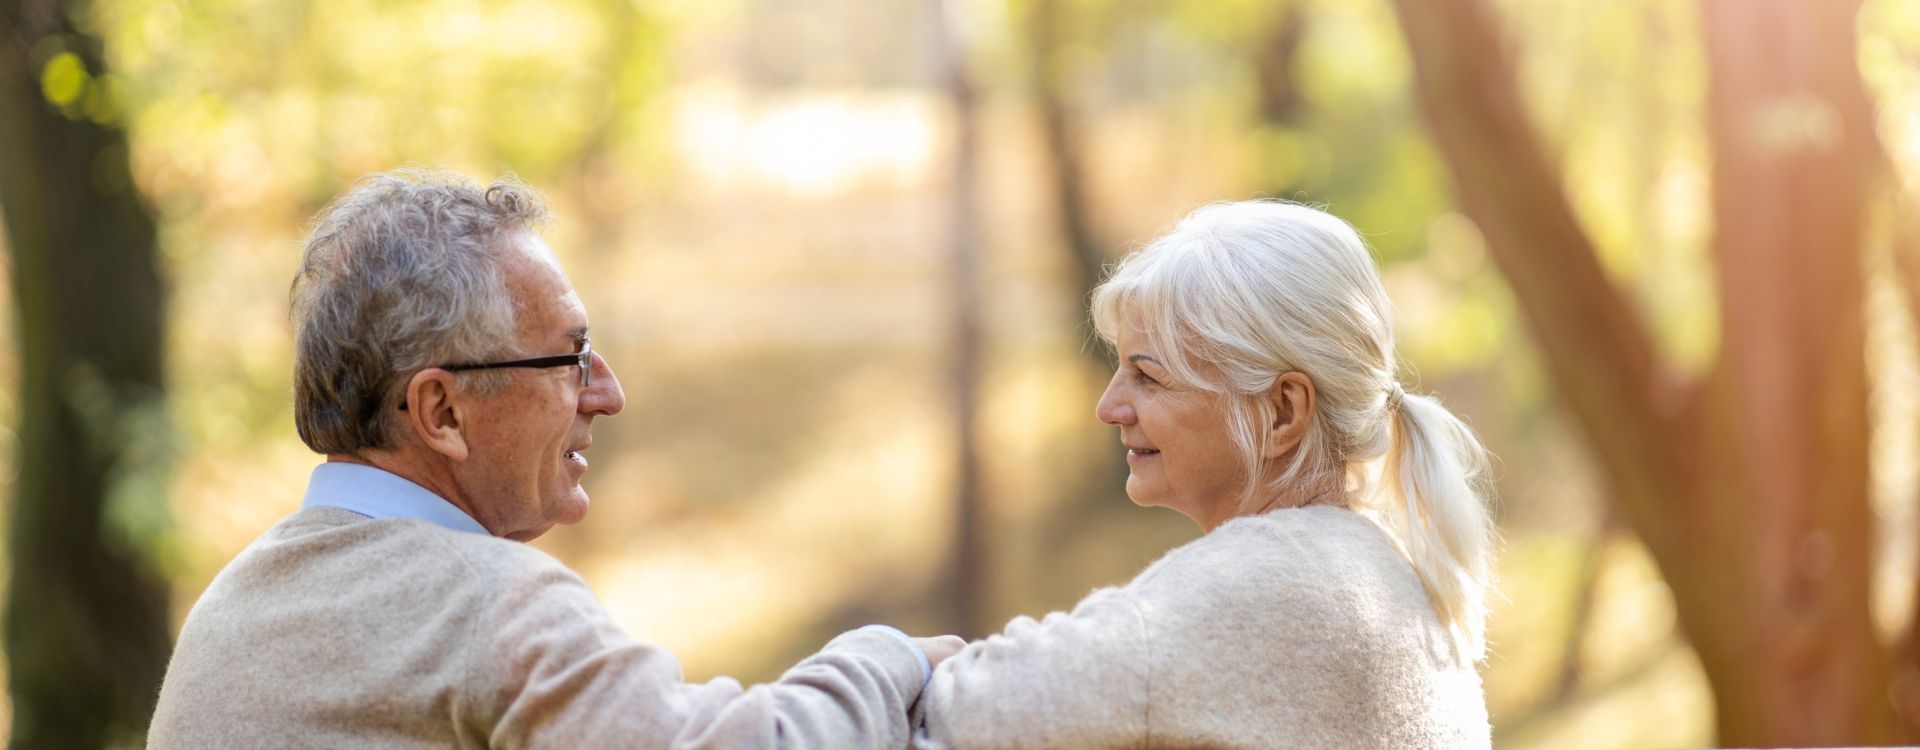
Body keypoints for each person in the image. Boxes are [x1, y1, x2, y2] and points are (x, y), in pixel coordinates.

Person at [148, 169, 962, 748]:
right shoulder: (480, 603)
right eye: (569, 358)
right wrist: (888, 661)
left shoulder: (232, 608)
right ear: (441, 412)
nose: (607, 393)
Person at [913, 201, 1495, 749]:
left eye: (1149, 377)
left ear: (1282, 411)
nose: (1109, 407)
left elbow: (938, 719)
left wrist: (896, 656)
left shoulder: (1259, 588)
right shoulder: (1372, 561)